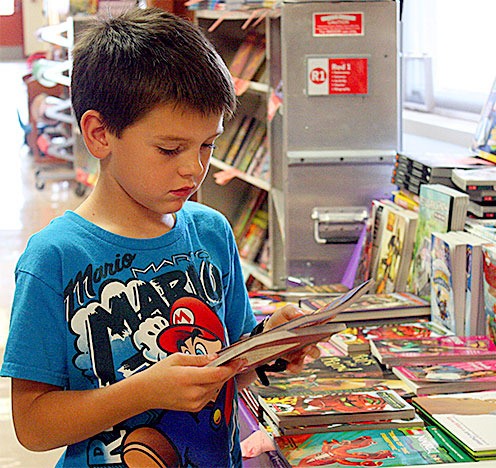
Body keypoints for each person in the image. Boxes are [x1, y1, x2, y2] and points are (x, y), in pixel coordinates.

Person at [0, 8, 318, 467]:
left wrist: (270, 346)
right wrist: (143, 392)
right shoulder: (56, 258)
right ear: (99, 134)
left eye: (207, 144)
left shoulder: (211, 232)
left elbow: (227, 373)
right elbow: (32, 425)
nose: (194, 167)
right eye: (170, 149)